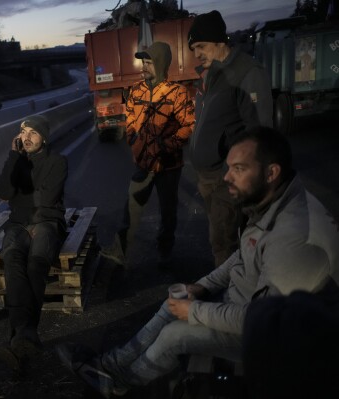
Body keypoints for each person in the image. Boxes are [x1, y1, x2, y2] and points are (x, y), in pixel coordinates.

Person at [57, 127, 339, 398]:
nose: (227, 177)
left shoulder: (296, 239)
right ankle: (112, 365)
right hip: (243, 305)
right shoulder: (270, 200)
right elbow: (240, 258)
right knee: (172, 305)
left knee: (173, 335)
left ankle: (118, 384)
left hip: (271, 338)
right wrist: (201, 288)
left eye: (238, 169)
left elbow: (261, 320)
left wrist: (195, 311)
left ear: (271, 172)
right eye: (228, 167)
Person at [187, 10, 273, 267]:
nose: (197, 53)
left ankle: (232, 298)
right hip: (209, 177)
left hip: (227, 177)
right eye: (193, 48)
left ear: (219, 41)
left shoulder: (246, 72)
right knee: (224, 237)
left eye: (201, 46)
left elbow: (260, 132)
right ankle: (237, 289)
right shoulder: (211, 73)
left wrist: (231, 169)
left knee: (223, 241)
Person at [104, 41, 195, 266]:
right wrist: (135, 145)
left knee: (168, 212)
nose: (144, 66)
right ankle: (119, 250)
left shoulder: (178, 93)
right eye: (143, 62)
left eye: (149, 62)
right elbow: (131, 123)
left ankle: (165, 250)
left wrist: (167, 145)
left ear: (162, 64)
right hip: (143, 164)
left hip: (169, 165)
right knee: (131, 207)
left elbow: (189, 126)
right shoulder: (136, 91)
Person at [0, 115, 68, 370]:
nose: (26, 137)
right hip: (18, 224)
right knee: (13, 263)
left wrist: (19, 196)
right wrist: (13, 159)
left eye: (33, 133)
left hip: (47, 222)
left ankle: (18, 337)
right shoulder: (17, 162)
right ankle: (26, 335)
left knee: (36, 267)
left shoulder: (58, 161)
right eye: (23, 132)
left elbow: (47, 198)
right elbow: (3, 192)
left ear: (44, 138)